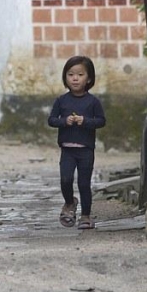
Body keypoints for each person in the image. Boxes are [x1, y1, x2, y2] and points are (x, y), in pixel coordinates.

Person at [47, 55, 106, 230]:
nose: (75, 78)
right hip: (67, 150)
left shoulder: (93, 102)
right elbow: (51, 120)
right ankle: (69, 202)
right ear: (65, 77)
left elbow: (101, 121)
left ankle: (86, 216)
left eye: (80, 75)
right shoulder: (61, 101)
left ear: (89, 78)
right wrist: (64, 121)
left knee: (84, 183)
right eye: (71, 74)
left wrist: (85, 121)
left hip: (85, 150)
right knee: (65, 180)